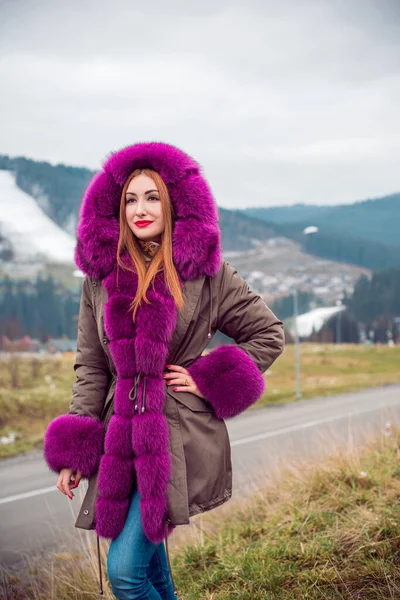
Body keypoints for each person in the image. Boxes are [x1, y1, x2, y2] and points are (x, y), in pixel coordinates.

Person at [43, 142, 285, 599]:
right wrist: (77, 450)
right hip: (120, 439)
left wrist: (206, 378)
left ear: (173, 202)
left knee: (125, 572)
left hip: (176, 436)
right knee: (150, 572)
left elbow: (268, 334)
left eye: (152, 196)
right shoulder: (100, 277)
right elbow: (92, 366)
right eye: (130, 199)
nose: (140, 208)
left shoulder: (206, 273)